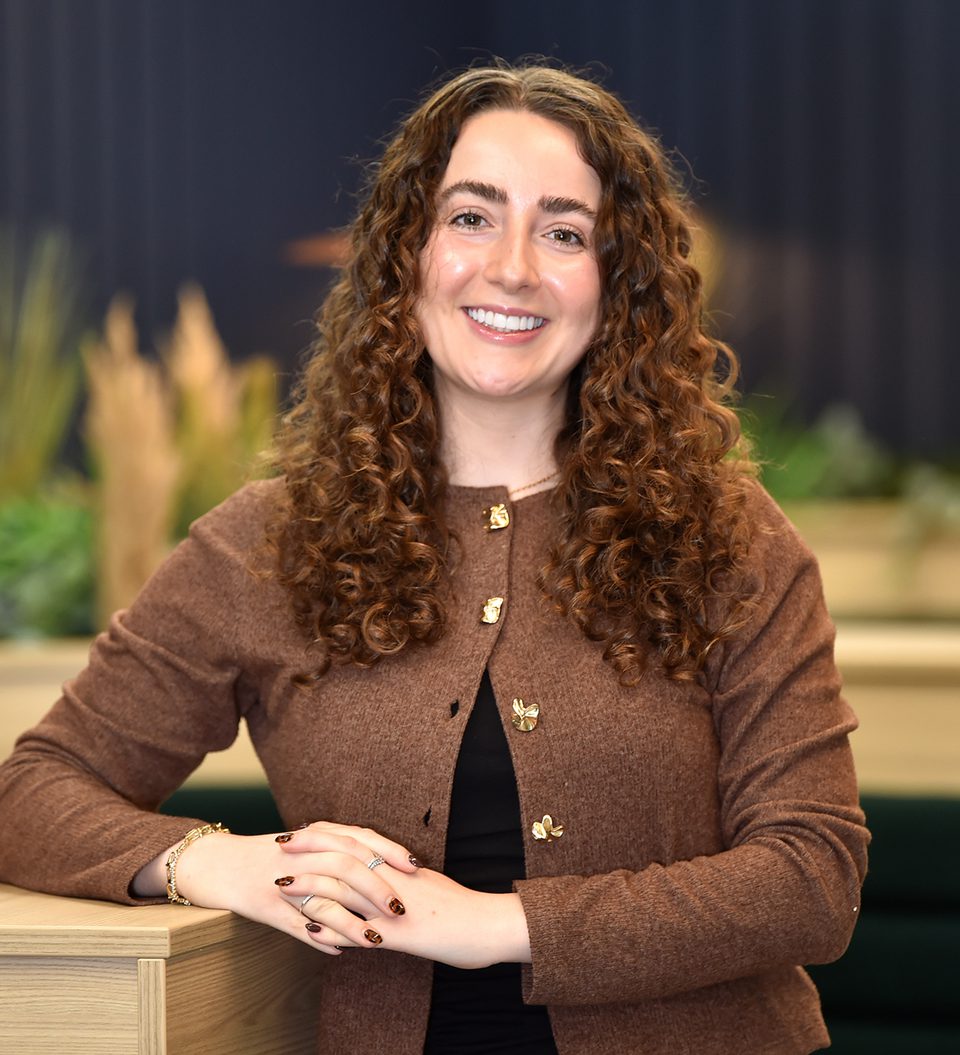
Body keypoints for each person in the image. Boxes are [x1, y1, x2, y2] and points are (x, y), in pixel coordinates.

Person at [0, 63, 868, 1054]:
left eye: (565, 231)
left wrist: (493, 922)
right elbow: (33, 788)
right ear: (405, 253)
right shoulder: (263, 544)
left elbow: (812, 875)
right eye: (471, 216)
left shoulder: (733, 541)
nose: (511, 266)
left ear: (617, 287)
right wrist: (214, 861)